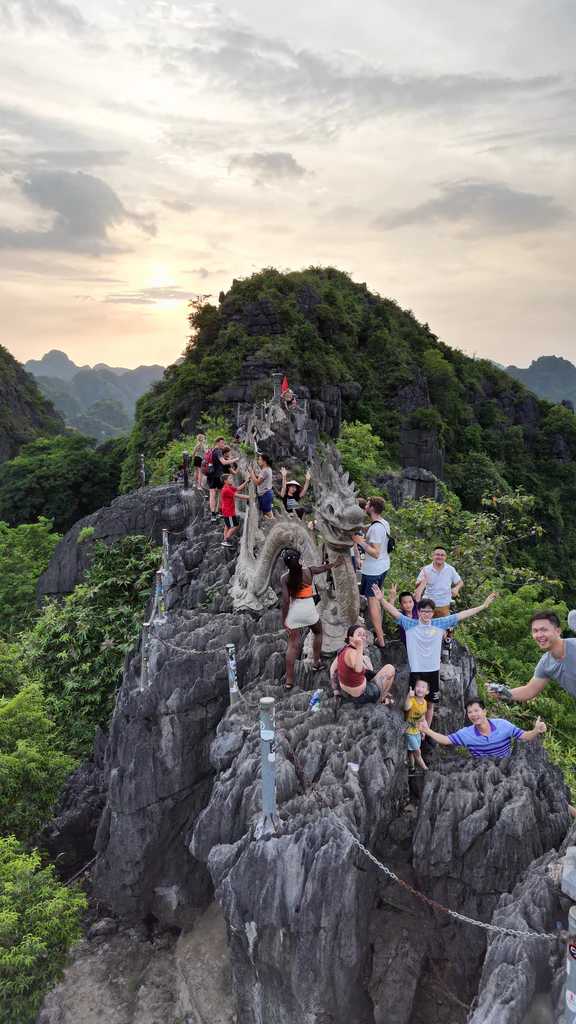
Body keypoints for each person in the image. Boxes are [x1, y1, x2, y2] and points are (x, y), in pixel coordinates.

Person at [373, 584, 498, 724]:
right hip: (417, 671)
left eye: (429, 612)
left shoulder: (439, 624)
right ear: (418, 612)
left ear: (433, 613)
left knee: (431, 703)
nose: (426, 614)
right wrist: (381, 600)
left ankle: (426, 733)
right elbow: (394, 612)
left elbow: (462, 615)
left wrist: (483, 606)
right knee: (412, 701)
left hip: (433, 671)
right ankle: (411, 729)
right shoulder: (410, 624)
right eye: (423, 611)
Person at [281, 548, 344, 690]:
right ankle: (316, 662)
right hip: (309, 609)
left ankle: (289, 681)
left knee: (292, 645)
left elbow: (285, 601)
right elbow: (323, 568)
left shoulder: (285, 578)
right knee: (318, 632)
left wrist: (284, 620)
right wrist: (336, 563)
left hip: (295, 611)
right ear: (300, 561)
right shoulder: (308, 571)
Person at [490, 609, 576, 705]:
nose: (539, 635)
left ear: (558, 631)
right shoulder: (545, 663)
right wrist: (502, 692)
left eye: (544, 630)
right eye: (535, 631)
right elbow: (529, 690)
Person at [419, 698, 546, 758]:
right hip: (483, 771)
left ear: (484, 711)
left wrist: (536, 730)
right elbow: (446, 740)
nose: (474, 715)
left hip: (507, 767)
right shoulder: (467, 734)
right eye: (470, 712)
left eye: (476, 711)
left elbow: (524, 736)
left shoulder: (503, 725)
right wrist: (427, 730)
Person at [351, 497, 392, 650]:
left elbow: (374, 552)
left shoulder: (376, 529)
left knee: (373, 603)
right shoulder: (383, 523)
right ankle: (381, 631)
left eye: (367, 504)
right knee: (378, 599)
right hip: (383, 567)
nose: (365, 506)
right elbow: (372, 530)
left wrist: (359, 541)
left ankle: (380, 639)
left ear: (372, 508)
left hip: (373, 570)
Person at [329, 624, 395, 706]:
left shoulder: (343, 650)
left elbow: (332, 669)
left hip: (346, 693)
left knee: (367, 661)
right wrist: (360, 647)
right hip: (363, 696)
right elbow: (358, 670)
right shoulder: (352, 653)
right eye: (359, 634)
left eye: (364, 635)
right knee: (390, 668)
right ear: (351, 638)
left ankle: (383, 694)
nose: (362, 637)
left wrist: (336, 691)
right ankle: (381, 700)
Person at [416, 547, 463, 619]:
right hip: (427, 605)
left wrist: (456, 588)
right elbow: (417, 586)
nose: (440, 557)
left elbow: (460, 582)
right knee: (426, 628)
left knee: (443, 629)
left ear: (445, 557)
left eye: (442, 555)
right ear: (433, 556)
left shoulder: (450, 569)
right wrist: (422, 582)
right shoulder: (426, 569)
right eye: (437, 554)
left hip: (444, 605)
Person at [404, 680, 430, 770]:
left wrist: (424, 731)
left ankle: (412, 767)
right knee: (417, 752)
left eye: (423, 687)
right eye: (418, 686)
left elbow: (422, 717)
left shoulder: (425, 703)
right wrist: (409, 696)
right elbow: (406, 707)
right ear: (415, 688)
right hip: (409, 731)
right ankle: (425, 769)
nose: (420, 689)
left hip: (417, 731)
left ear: (427, 692)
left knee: (411, 751)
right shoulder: (412, 700)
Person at [220, 471, 249, 546]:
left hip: (227, 510)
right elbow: (237, 495)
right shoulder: (226, 489)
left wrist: (246, 481)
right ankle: (226, 539)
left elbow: (238, 489)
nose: (232, 480)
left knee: (227, 526)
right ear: (225, 481)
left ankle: (224, 539)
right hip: (228, 511)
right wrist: (249, 497)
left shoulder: (229, 487)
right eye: (230, 478)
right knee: (235, 526)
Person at [251, 453, 275, 519]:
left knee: (269, 515)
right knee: (268, 514)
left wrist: (251, 472)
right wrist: (256, 476)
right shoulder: (268, 469)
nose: (258, 461)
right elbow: (261, 479)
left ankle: (278, 528)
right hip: (267, 493)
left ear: (264, 461)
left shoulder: (265, 471)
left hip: (265, 495)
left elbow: (257, 482)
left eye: (259, 459)